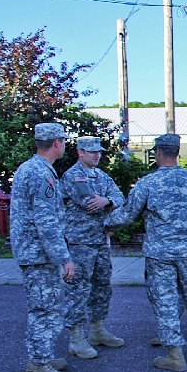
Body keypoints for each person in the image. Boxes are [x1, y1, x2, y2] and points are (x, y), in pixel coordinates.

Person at [106, 134, 187, 372]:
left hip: (160, 254)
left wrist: (105, 224)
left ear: (157, 152)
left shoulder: (147, 183)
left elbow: (126, 215)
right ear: (178, 152)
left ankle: (175, 355)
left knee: (166, 301)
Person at [9, 123, 77, 372]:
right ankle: (42, 369)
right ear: (57, 143)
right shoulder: (40, 173)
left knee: (42, 307)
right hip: (39, 254)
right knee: (45, 310)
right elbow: (45, 220)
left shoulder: (31, 168)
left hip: (34, 252)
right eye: (63, 141)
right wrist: (64, 257)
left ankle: (39, 358)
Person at [60, 136, 126, 360]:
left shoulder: (102, 176)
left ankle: (97, 330)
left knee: (102, 286)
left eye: (99, 151)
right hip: (80, 242)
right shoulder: (73, 176)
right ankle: (76, 338)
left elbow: (120, 198)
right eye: (92, 152)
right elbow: (88, 202)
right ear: (80, 152)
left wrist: (106, 201)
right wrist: (105, 202)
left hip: (101, 241)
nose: (97, 155)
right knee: (78, 289)